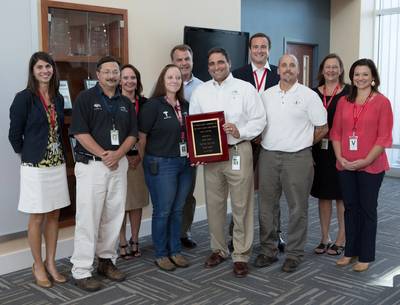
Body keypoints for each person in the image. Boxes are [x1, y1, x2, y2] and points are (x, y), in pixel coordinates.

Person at [190, 47, 266, 278]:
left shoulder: (245, 89)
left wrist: (240, 130)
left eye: (220, 62)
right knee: (214, 204)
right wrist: (196, 152)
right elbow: (193, 123)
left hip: (238, 152)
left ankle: (241, 254)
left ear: (229, 63)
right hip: (212, 157)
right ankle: (219, 249)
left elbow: (259, 120)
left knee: (242, 205)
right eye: (211, 63)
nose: (216, 67)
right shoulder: (200, 92)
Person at [69, 56, 138, 291]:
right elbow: (79, 132)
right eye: (106, 72)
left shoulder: (125, 103)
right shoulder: (85, 99)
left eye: (115, 71)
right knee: (88, 218)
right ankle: (81, 269)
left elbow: (132, 134)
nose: (111, 76)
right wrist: (104, 155)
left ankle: (106, 262)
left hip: (118, 166)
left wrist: (117, 155)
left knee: (114, 215)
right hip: (92, 167)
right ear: (97, 75)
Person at [257, 54, 328, 272]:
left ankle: (294, 254)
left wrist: (303, 143)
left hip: (298, 158)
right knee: (266, 207)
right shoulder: (265, 95)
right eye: (284, 65)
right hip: (268, 156)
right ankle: (268, 250)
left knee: (298, 208)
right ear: (277, 70)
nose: (287, 69)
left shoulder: (309, 96)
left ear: (298, 70)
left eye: (292, 65)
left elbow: (322, 127)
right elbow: (257, 124)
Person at [8, 51, 70, 288]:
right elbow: (14, 135)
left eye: (48, 66)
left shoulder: (58, 98)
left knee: (54, 214)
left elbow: (58, 131)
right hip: (35, 167)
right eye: (40, 67)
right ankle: (38, 265)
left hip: (56, 164)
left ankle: (51, 262)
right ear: (33, 72)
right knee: (37, 216)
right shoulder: (24, 98)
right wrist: (29, 154)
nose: (45, 71)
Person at [331, 58, 393, 272]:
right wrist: (340, 158)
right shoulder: (344, 101)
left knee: (367, 210)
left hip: (371, 167)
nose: (360, 78)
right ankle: (350, 251)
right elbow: (336, 133)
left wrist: (365, 161)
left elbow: (384, 138)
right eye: (356, 74)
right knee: (350, 208)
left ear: (373, 77)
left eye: (365, 74)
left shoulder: (382, 102)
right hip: (345, 165)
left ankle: (365, 255)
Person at [232, 32, 285, 253]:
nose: (259, 50)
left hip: (272, 141)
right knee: (240, 191)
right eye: (255, 47)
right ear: (250, 50)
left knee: (272, 192)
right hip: (245, 140)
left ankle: (275, 235)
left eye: (264, 47)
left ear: (269, 50)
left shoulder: (279, 74)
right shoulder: (238, 75)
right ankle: (235, 235)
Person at [139, 64, 193, 271]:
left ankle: (175, 250)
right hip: (161, 164)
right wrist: (145, 162)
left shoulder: (185, 105)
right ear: (163, 80)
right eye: (170, 77)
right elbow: (142, 137)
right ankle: (161, 253)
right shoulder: (153, 105)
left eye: (178, 77)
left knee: (178, 210)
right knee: (163, 211)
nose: (174, 80)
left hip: (185, 164)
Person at [312, 54, 349, 256]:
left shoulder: (349, 92)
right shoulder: (313, 93)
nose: (331, 70)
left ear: (341, 70)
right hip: (320, 150)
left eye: (335, 67)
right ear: (322, 70)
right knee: (323, 195)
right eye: (328, 67)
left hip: (341, 149)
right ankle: (324, 237)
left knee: (341, 196)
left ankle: (341, 238)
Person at [171, 44, 203, 249]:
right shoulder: (165, 83)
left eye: (187, 59)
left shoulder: (203, 87)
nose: (183, 63)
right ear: (173, 62)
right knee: (168, 194)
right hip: (168, 149)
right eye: (179, 60)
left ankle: (183, 231)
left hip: (191, 149)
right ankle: (168, 231)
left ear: (192, 61)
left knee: (187, 193)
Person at [118, 64, 149, 259]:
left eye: (133, 78)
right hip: (118, 160)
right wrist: (121, 155)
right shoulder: (113, 102)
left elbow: (150, 132)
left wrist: (139, 156)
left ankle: (135, 239)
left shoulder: (146, 103)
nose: (130, 81)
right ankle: (121, 241)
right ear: (120, 81)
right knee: (119, 203)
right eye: (126, 78)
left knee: (136, 202)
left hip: (140, 158)